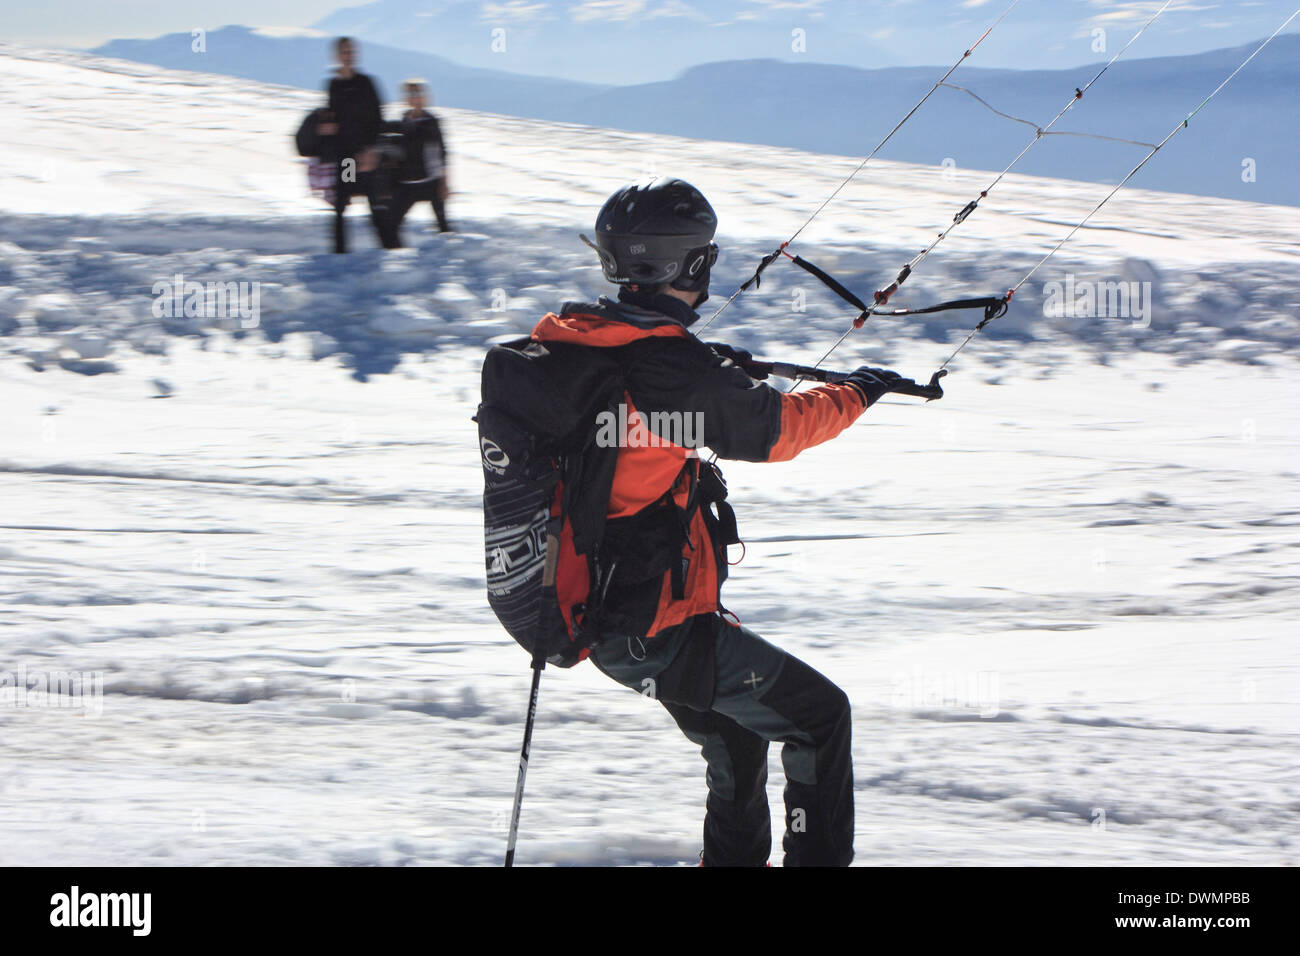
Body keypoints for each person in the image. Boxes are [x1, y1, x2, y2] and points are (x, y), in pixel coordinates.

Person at [530, 177, 921, 866]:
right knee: (820, 719)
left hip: (604, 607)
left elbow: (651, 410)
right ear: (691, 265)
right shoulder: (663, 366)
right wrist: (858, 392)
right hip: (648, 626)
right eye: (705, 254)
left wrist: (711, 372)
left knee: (737, 735)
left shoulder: (582, 342)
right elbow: (777, 430)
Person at [319, 37, 396, 252]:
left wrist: (372, 151)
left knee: (377, 210)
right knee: (341, 207)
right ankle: (340, 258)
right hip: (348, 160)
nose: (348, 56)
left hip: (369, 156)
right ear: (336, 56)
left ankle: (392, 257)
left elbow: (379, 120)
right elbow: (333, 119)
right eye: (344, 52)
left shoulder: (367, 83)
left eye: (351, 52)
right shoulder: (333, 85)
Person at [388, 79, 452, 241]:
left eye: (417, 93)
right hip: (407, 184)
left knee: (443, 228)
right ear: (406, 98)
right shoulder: (403, 122)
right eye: (410, 93)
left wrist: (444, 183)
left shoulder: (432, 122)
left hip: (430, 182)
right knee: (390, 225)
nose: (414, 97)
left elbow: (441, 153)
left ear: (424, 97)